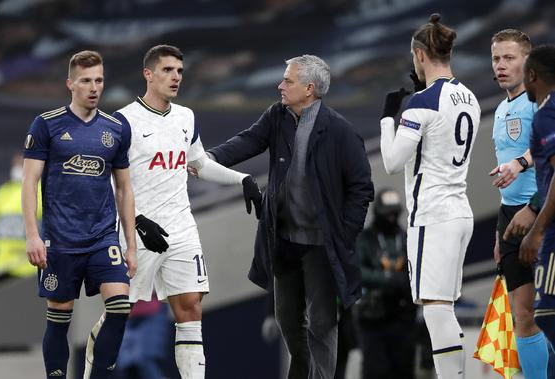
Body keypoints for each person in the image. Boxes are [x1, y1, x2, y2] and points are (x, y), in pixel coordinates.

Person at [207, 54, 374, 379]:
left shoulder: (340, 132)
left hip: (321, 245)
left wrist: (345, 234)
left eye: (288, 81)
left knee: (323, 323)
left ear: (309, 89)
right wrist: (209, 158)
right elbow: (248, 141)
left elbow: (361, 189)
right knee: (287, 321)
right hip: (283, 240)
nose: (280, 85)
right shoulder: (277, 116)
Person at [113, 44, 262, 379]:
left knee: (190, 305)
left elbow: (197, 164)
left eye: (179, 71)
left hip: (180, 226)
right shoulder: (124, 121)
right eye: (167, 70)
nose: (176, 77)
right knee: (119, 309)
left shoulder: (185, 117)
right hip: (137, 230)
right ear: (148, 74)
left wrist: (243, 179)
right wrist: (135, 220)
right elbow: (113, 182)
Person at [22, 50, 137, 379]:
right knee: (59, 318)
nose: (94, 87)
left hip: (102, 237)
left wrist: (130, 244)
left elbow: (124, 189)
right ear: (70, 84)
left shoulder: (116, 128)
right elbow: (29, 182)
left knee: (119, 307)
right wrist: (32, 235)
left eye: (99, 80)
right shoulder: (47, 125)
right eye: (86, 80)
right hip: (59, 240)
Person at [379, 13, 480, 378]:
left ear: (420, 54)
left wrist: (389, 117)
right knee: (446, 307)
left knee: (436, 309)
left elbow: (391, 161)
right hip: (460, 210)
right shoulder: (470, 97)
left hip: (432, 216)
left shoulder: (421, 102)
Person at [488, 29, 550, 378]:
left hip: (542, 211)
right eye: (496, 58)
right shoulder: (500, 109)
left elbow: (546, 149)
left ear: (527, 62)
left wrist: (521, 163)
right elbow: (506, 177)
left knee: (548, 311)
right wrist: (500, 229)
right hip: (510, 217)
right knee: (522, 315)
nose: (501, 65)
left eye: (509, 58)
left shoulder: (539, 98)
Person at [354, 188, 416, 379]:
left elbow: (415, 271)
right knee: (376, 371)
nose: (391, 217)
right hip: (372, 319)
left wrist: (402, 281)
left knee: (404, 370)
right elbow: (357, 271)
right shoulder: (365, 239)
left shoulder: (408, 238)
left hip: (403, 318)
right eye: (387, 212)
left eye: (394, 212)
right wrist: (388, 280)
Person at [519, 44, 555, 347]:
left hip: (554, 236)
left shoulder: (548, 113)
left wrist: (537, 230)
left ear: (532, 75)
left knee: (549, 318)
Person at [0, 152, 39, 280]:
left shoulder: (41, 193)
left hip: (29, 270)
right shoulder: (1, 194)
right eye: (16, 164)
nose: (18, 168)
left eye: (22, 164)